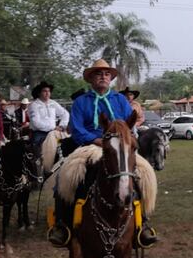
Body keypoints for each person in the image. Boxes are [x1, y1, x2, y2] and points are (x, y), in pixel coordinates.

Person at [48, 59, 157, 247]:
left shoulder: (120, 100)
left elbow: (129, 125)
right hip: (89, 145)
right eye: (99, 73)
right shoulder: (81, 102)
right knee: (64, 177)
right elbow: (77, 128)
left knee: (144, 173)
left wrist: (125, 140)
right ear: (91, 78)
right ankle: (62, 225)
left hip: (118, 147)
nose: (103, 77)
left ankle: (143, 224)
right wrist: (96, 140)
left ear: (110, 78)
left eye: (106, 74)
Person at [28, 81, 69, 151]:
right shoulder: (34, 105)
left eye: (49, 91)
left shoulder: (53, 103)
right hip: (40, 133)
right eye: (44, 91)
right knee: (39, 153)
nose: (47, 93)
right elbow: (36, 123)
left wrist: (62, 126)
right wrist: (53, 127)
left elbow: (65, 113)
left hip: (54, 132)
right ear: (39, 93)